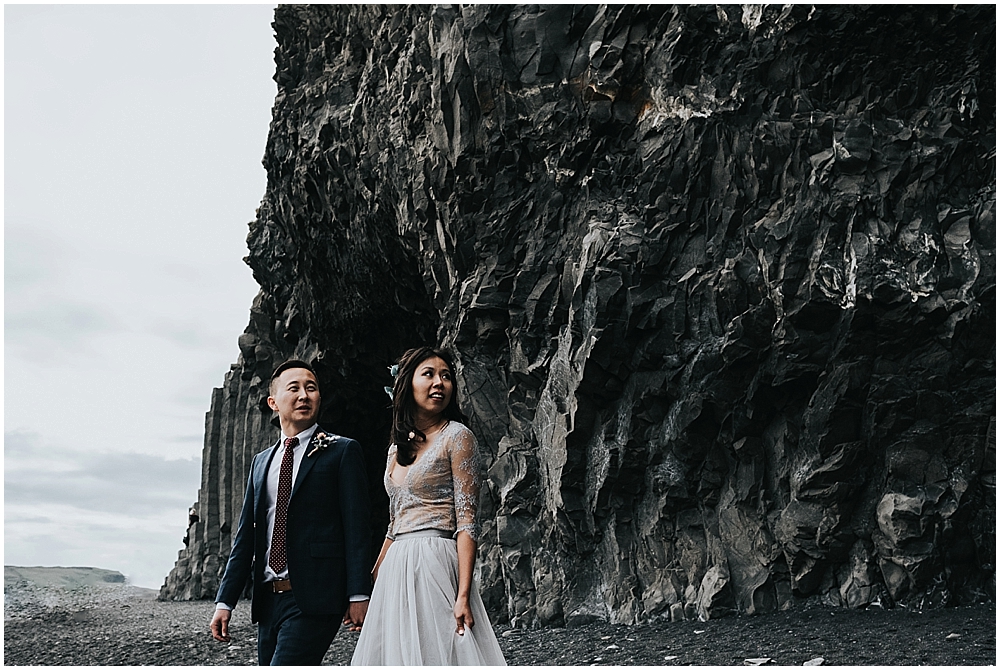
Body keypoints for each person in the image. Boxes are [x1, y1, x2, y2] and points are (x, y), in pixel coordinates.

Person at [351, 346, 507, 666]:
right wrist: (371, 584)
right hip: (396, 564)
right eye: (429, 374)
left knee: (440, 651)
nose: (439, 382)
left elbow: (467, 523)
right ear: (407, 384)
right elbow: (394, 525)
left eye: (446, 376)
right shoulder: (395, 450)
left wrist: (462, 594)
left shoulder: (457, 437)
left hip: (436, 560)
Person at [210, 359, 371, 665]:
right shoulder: (261, 462)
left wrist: (358, 594)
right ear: (273, 402)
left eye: (311, 388)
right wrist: (225, 601)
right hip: (268, 600)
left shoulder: (342, 451)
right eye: (294, 388)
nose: (304, 395)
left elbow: (357, 527)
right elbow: (246, 537)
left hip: (315, 597)